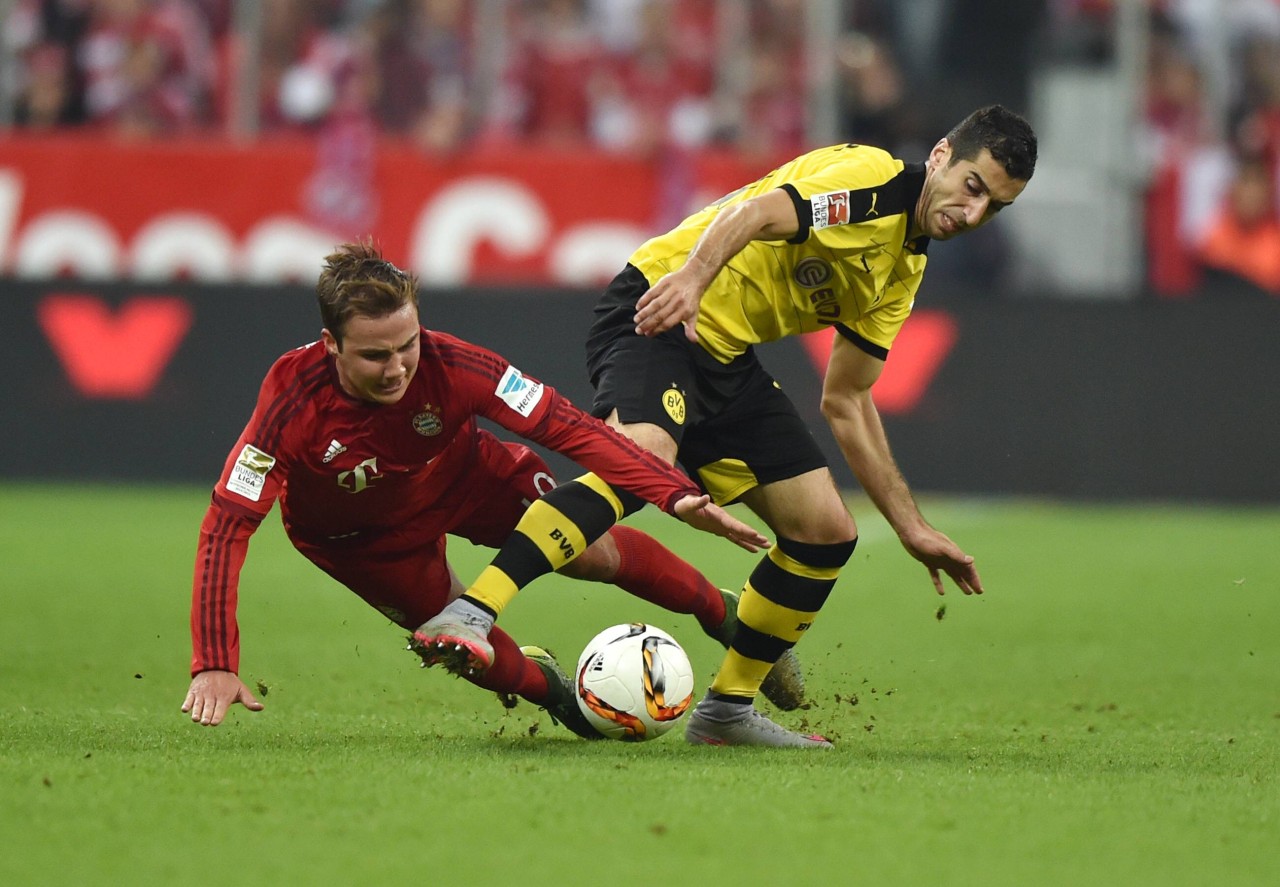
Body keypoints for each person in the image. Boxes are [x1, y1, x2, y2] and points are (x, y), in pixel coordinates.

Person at [414, 104, 1038, 748]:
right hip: (659, 304)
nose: (973, 213)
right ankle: (472, 611)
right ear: (940, 156)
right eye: (972, 186)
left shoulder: (903, 271)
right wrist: (692, 277)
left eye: (994, 205)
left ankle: (726, 713)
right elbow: (757, 213)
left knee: (824, 534)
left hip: (726, 356)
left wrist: (911, 527)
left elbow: (847, 399)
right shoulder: (872, 181)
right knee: (641, 461)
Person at [181, 240, 781, 736]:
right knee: (467, 649)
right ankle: (557, 692)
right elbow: (227, 523)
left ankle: (720, 612)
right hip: (358, 540)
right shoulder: (291, 400)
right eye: (373, 355)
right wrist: (213, 661)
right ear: (331, 343)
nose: (397, 369)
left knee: (590, 549)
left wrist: (670, 492)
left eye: (407, 345)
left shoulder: (454, 364)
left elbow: (568, 428)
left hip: (466, 477)